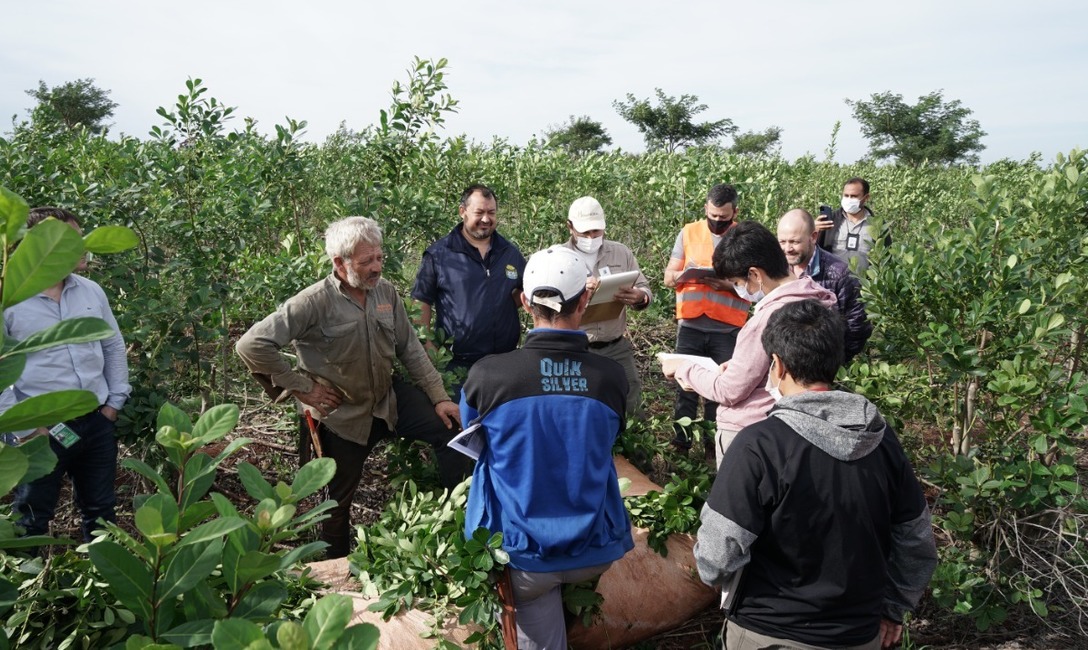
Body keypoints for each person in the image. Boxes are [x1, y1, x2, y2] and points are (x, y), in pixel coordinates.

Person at [694, 299, 938, 649]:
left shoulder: (759, 446)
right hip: (858, 634)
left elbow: (717, 558)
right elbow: (916, 541)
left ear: (777, 365)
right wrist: (894, 608)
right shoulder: (882, 441)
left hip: (769, 632)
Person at [236, 216, 468, 559]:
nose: (376, 268)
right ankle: (336, 573)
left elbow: (410, 350)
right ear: (339, 263)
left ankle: (460, 527)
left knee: (450, 431)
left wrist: (440, 398)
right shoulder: (313, 302)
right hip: (339, 415)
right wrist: (302, 388)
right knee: (335, 502)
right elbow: (250, 346)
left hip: (386, 399)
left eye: (379, 258)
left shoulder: (385, 292)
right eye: (366, 262)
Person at [461, 246, 634, 650]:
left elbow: (471, 428)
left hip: (524, 557)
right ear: (586, 300)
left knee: (539, 619)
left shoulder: (489, 375)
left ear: (524, 302)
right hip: (595, 549)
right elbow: (610, 435)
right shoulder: (610, 378)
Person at [2, 207, 131, 542]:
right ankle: (28, 591)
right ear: (44, 245)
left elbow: (112, 347)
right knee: (31, 517)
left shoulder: (90, 291)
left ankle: (100, 585)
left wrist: (113, 405)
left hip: (97, 422)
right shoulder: (9, 299)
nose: (84, 246)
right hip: (39, 428)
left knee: (101, 511)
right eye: (73, 240)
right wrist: (27, 427)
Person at [662, 221, 836, 467]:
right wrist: (736, 365)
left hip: (752, 432)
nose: (739, 289)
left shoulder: (766, 320)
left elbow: (729, 391)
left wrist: (683, 368)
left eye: (737, 282)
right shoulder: (817, 300)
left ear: (754, 274)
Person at [412, 184, 526, 397]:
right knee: (463, 426)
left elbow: (524, 293)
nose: (486, 219)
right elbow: (420, 304)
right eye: (479, 213)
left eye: (491, 213)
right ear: (462, 212)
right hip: (457, 368)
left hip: (505, 364)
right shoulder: (439, 255)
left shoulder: (510, 253)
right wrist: (429, 351)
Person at [663, 184, 750, 453]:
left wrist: (727, 285)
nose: (717, 222)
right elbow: (668, 277)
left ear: (735, 212)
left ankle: (715, 448)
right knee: (684, 386)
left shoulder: (744, 238)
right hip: (690, 325)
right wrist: (686, 275)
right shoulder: (688, 232)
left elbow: (755, 284)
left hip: (727, 328)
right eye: (713, 215)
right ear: (706, 209)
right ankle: (681, 444)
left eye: (723, 218)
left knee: (720, 390)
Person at [555, 196, 652, 417]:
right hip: (574, 346)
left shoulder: (621, 253)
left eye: (596, 232)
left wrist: (639, 297)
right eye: (585, 233)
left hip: (615, 345)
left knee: (630, 396)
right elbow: (544, 303)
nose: (591, 237)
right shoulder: (558, 257)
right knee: (577, 405)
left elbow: (645, 289)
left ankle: (630, 448)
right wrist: (578, 291)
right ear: (570, 227)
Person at [778, 208, 873, 362]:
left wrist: (834, 362)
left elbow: (857, 325)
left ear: (813, 237)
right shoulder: (777, 268)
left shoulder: (839, 274)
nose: (788, 249)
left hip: (823, 366)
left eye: (795, 242)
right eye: (782, 241)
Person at [815, 177, 890, 274]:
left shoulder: (877, 224)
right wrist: (814, 230)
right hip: (832, 283)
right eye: (846, 195)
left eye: (854, 196)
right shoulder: (830, 220)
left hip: (864, 285)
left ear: (866, 198)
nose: (849, 199)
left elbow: (886, 257)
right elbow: (811, 251)